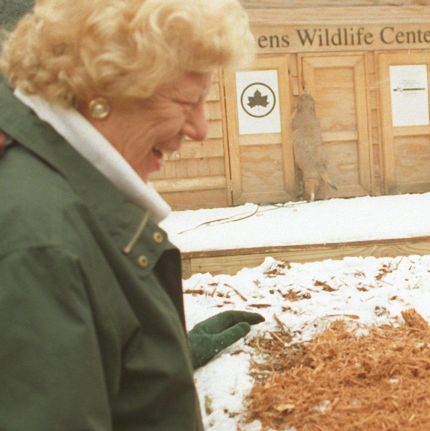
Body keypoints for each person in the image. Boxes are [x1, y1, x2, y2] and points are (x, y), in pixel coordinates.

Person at [0, 0, 264, 429]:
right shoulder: (39, 243)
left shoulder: (63, 197)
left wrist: (157, 351)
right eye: (188, 101)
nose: (201, 129)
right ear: (103, 93)